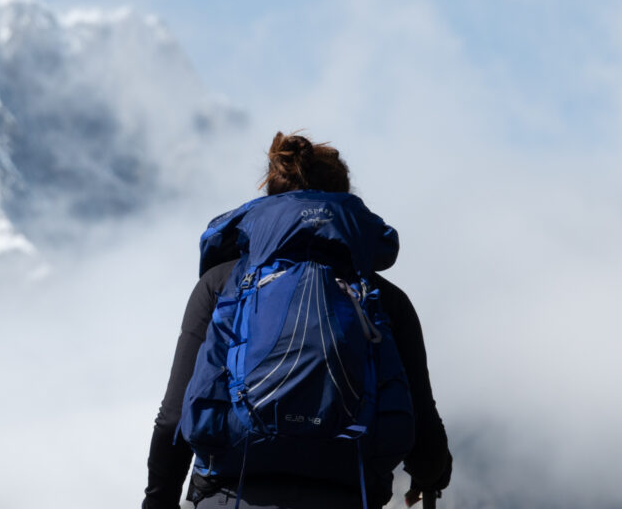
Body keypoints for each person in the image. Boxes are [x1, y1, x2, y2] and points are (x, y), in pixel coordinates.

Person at [143, 132, 451, 509]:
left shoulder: (222, 282)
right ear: (344, 199)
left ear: (270, 198)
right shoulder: (385, 299)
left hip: (229, 494)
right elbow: (424, 433)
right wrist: (430, 474)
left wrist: (157, 500)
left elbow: (173, 418)